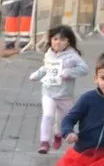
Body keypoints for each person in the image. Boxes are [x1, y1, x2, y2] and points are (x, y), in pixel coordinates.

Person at [28, 25, 88, 154]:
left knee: (63, 120)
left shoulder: (72, 56)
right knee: (48, 115)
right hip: (48, 92)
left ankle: (58, 134)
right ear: (50, 40)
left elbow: (84, 69)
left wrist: (69, 72)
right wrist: (37, 75)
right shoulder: (49, 54)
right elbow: (46, 68)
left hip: (64, 95)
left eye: (62, 39)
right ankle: (44, 142)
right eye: (55, 39)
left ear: (68, 42)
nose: (58, 42)